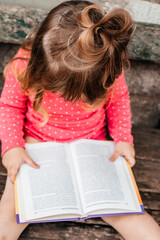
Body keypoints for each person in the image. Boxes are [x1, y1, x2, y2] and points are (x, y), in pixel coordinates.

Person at [0, 1, 160, 239]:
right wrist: (12, 147)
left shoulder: (107, 67)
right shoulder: (23, 66)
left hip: (94, 148)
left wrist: (123, 139)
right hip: (36, 146)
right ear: (40, 63)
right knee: (12, 207)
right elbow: (9, 106)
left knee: (126, 212)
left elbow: (119, 102)